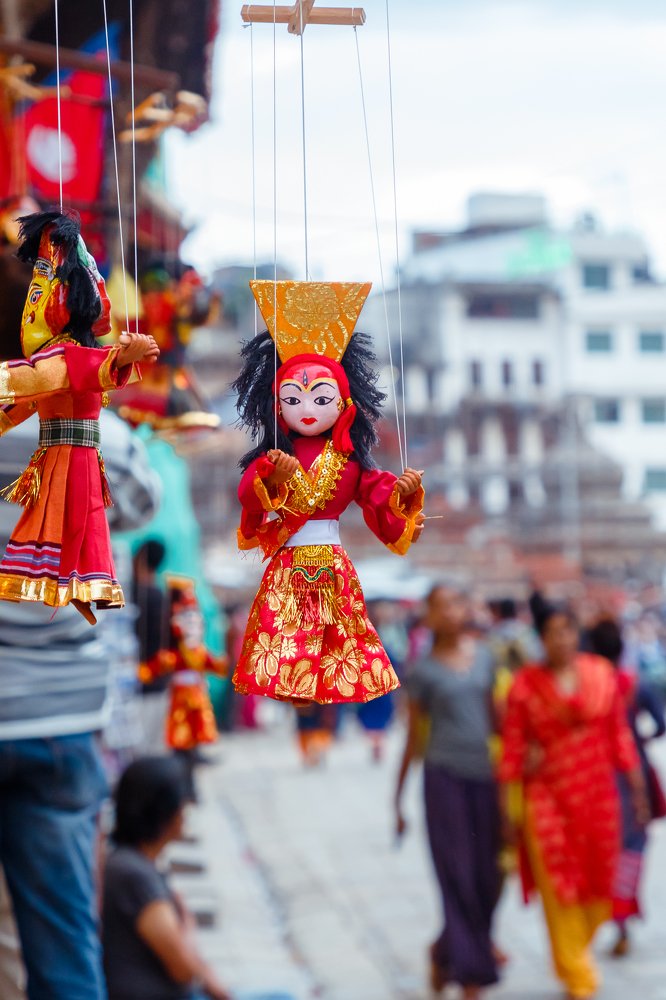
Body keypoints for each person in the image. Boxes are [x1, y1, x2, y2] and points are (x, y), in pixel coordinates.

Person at [0, 406, 160, 1000]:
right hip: (59, 719)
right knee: (65, 950)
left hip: (55, 718)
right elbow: (144, 501)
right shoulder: (92, 428)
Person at [231, 279, 424, 706]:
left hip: (331, 562)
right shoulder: (273, 455)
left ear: (343, 403)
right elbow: (248, 493)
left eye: (320, 398)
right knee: (285, 636)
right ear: (276, 405)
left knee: (338, 637)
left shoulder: (352, 461)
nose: (306, 409)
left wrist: (402, 494)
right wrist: (271, 476)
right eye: (293, 399)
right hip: (290, 561)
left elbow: (377, 494)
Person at [499, 600, 648, 1000]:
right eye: (552, 632)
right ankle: (579, 975)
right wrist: (506, 813)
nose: (561, 639)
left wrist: (637, 790)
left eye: (568, 630)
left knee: (600, 887)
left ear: (577, 633)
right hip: (547, 800)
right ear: (541, 637)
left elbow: (620, 736)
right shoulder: (525, 685)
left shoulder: (601, 675)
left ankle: (573, 957)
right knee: (559, 887)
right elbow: (511, 752)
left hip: (599, 799)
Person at [395, 585, 501, 999]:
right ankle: (471, 976)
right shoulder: (423, 671)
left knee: (491, 876)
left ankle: (444, 951)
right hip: (444, 780)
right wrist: (397, 799)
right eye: (441, 607)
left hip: (486, 778)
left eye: (457, 603)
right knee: (457, 875)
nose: (451, 613)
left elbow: (498, 722)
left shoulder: (486, 659)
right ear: (429, 616)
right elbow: (412, 739)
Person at [102, 756, 230, 1000]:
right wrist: (188, 923)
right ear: (168, 813)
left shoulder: (130, 865)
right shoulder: (134, 875)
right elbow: (183, 969)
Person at [588, 616, 666, 956]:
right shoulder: (634, 684)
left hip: (597, 776)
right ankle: (622, 916)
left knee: (605, 847)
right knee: (632, 846)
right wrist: (640, 741)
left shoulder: (586, 684)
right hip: (635, 775)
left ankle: (608, 917)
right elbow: (661, 724)